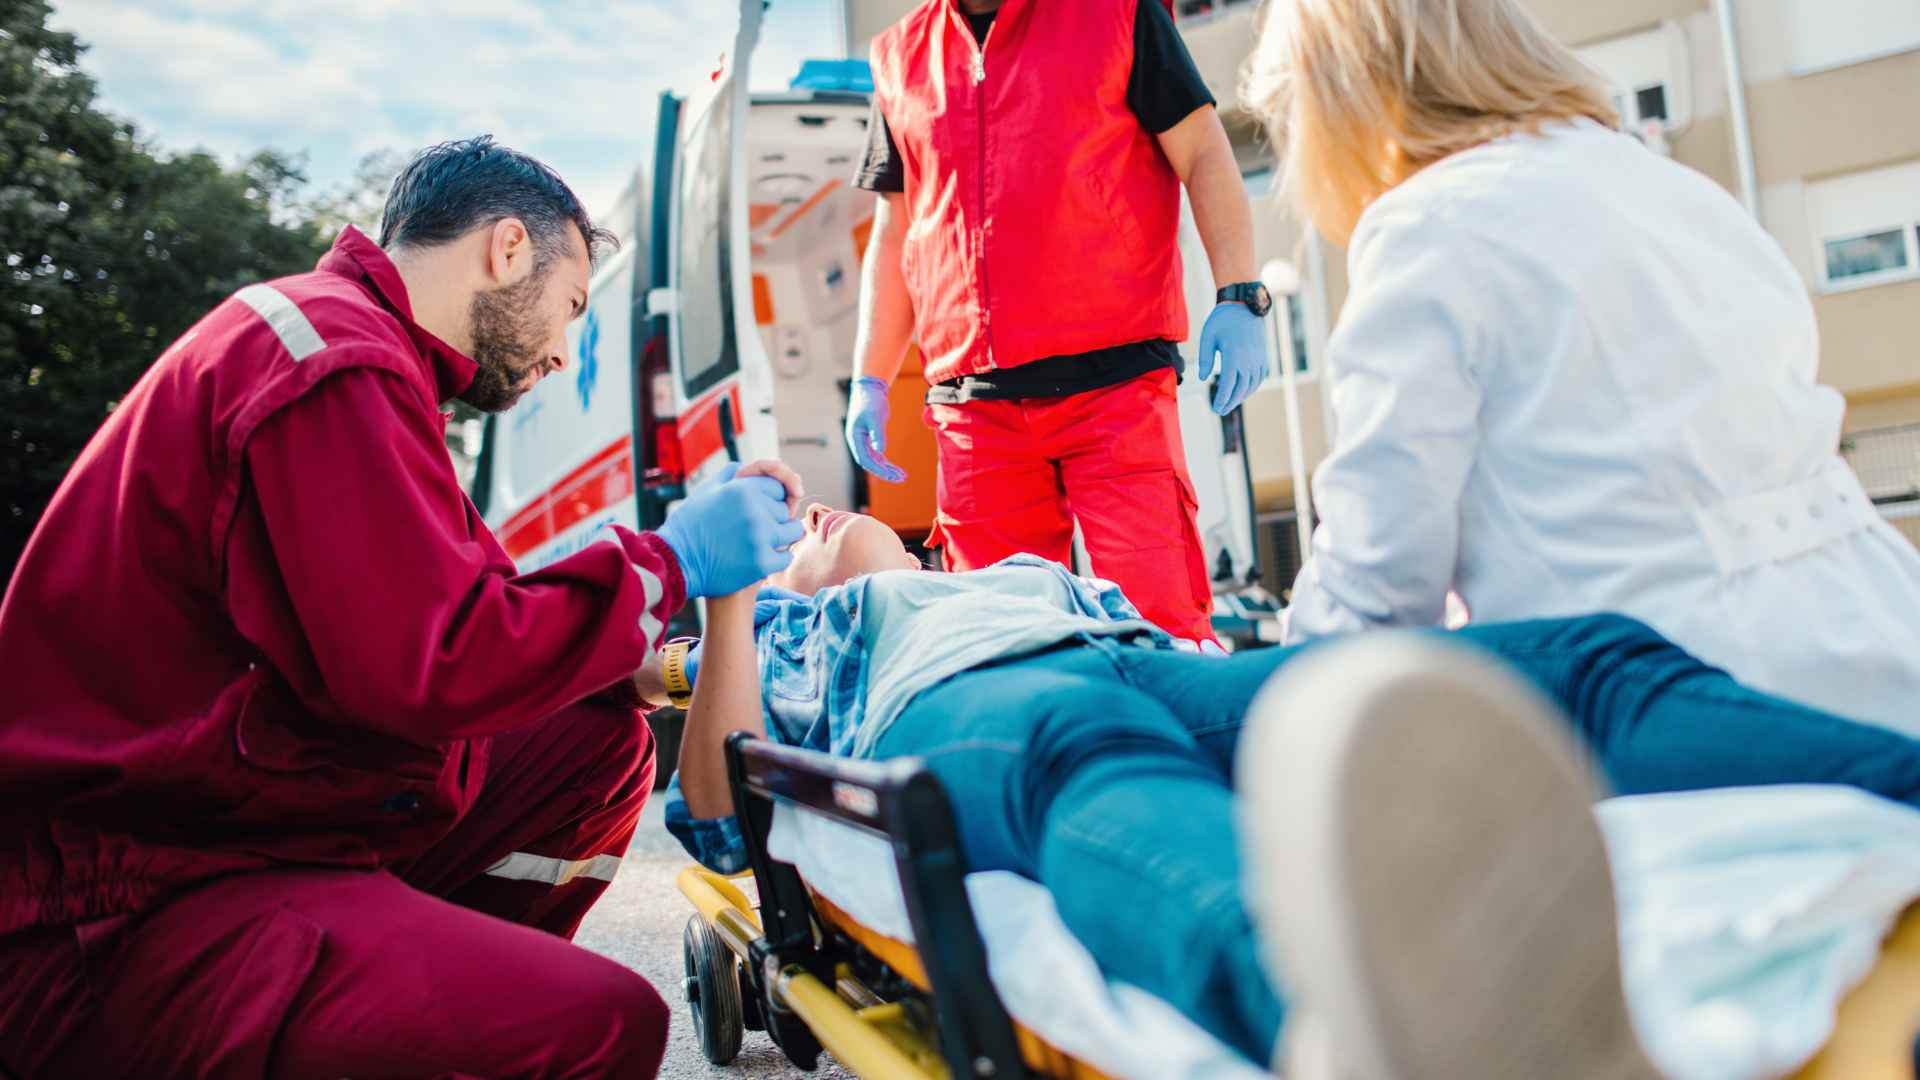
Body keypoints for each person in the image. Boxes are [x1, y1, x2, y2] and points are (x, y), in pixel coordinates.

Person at [0, 136, 807, 1079]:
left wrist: (652, 663)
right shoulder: (331, 359)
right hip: (120, 908)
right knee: (601, 1023)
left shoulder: (355, 356)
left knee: (594, 741)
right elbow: (440, 662)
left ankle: (416, 988)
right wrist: (671, 559)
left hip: (222, 827)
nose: (563, 350)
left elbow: (467, 613)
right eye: (571, 306)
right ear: (508, 248)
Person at [661, 506, 1920, 1074]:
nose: (810, 512)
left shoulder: (1018, 572)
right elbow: (719, 819)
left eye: (817, 505)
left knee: (1581, 659)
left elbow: (1182, 650)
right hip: (960, 709)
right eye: (794, 527)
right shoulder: (784, 634)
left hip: (1140, 661)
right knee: (1094, 764)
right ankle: (1350, 1033)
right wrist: (729, 602)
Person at [1239, 0, 1920, 731]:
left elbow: (1378, 583)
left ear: (1341, 98)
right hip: (1878, 636)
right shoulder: (1672, 187)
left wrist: (1269, 724)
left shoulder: (1429, 228)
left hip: (1673, 698)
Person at [845, 0, 1272, 644]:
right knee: (998, 644)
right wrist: (870, 378)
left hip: (1115, 387)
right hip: (975, 411)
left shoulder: (1116, 13)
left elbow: (1204, 151)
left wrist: (1238, 292)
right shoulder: (899, 58)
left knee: (1164, 627)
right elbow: (897, 228)